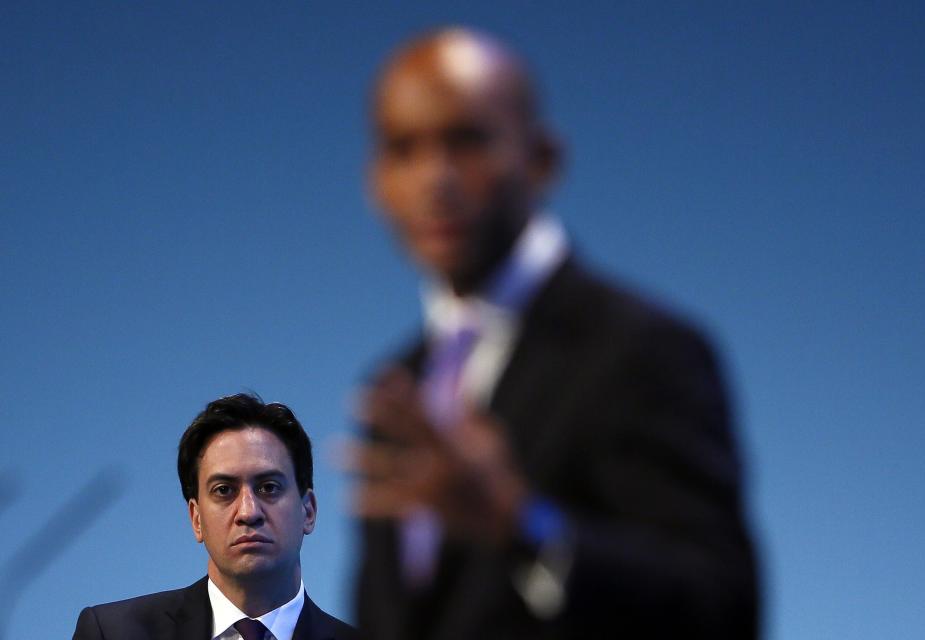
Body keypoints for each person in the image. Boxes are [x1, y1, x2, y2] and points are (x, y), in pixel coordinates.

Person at [348, 27, 760, 639]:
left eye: (466, 140)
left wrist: (523, 526)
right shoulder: (399, 387)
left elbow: (721, 606)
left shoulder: (640, 347)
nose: (434, 178)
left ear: (541, 158)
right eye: (403, 150)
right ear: (375, 181)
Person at [73, 393, 356, 640]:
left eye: (269, 488)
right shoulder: (112, 633)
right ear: (196, 519)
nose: (248, 512)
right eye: (224, 490)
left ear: (308, 511)